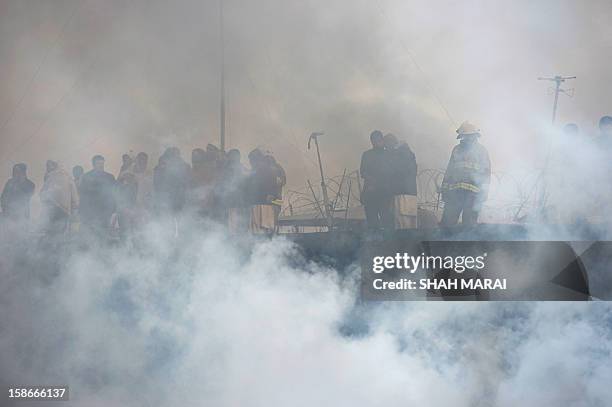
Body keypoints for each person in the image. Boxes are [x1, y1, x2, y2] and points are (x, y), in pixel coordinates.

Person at [440, 121, 491, 227]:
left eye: (470, 137)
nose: (467, 139)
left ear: (475, 136)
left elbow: (486, 174)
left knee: (469, 227)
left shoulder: (482, 151)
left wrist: (483, 193)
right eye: (465, 137)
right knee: (447, 224)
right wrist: (444, 190)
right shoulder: (456, 150)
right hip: (455, 194)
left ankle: (469, 243)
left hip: (473, 196)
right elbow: (449, 171)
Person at [383, 133, 418, 229]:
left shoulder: (399, 155)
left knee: (402, 224)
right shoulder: (409, 153)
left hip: (402, 194)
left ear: (391, 143)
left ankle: (404, 243)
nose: (386, 149)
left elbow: (397, 173)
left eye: (386, 146)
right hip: (411, 193)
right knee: (411, 224)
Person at [246, 148, 284, 234]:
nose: (251, 163)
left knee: (265, 232)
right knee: (262, 232)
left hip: (268, 204)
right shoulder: (256, 172)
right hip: (263, 204)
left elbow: (278, 187)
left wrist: (274, 202)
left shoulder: (273, 170)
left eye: (252, 160)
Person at [154, 148, 191, 233]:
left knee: (179, 219)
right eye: (173, 155)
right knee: (166, 220)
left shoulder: (183, 166)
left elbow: (187, 182)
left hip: (179, 198)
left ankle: (178, 235)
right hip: (165, 198)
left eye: (177, 154)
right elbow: (157, 184)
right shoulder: (161, 167)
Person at [360, 130, 391, 230]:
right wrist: (371, 180)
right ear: (371, 141)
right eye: (374, 140)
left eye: (378, 139)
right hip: (370, 193)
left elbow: (392, 172)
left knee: (386, 220)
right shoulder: (367, 155)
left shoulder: (388, 154)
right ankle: (374, 242)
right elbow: (363, 172)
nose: (376, 142)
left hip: (384, 193)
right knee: (372, 222)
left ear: (382, 140)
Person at [79, 155, 117, 237]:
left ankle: (102, 248)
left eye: (102, 163)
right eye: (98, 163)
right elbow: (83, 195)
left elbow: (114, 195)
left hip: (105, 212)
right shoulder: (86, 177)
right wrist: (82, 212)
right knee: (91, 235)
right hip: (91, 212)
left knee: (104, 234)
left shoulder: (109, 177)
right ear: (93, 164)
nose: (101, 166)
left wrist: (114, 211)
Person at [39, 160, 79, 237]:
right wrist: (74, 207)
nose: (47, 168)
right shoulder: (68, 177)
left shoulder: (50, 177)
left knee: (51, 233)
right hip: (65, 210)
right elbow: (74, 195)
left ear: (54, 166)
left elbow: (43, 194)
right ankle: (59, 247)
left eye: (48, 166)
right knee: (61, 233)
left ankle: (53, 247)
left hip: (53, 209)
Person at [220, 149, 248, 231]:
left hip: (238, 203)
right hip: (229, 203)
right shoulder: (225, 170)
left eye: (232, 156)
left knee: (237, 225)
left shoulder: (242, 169)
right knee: (230, 226)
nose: (230, 158)